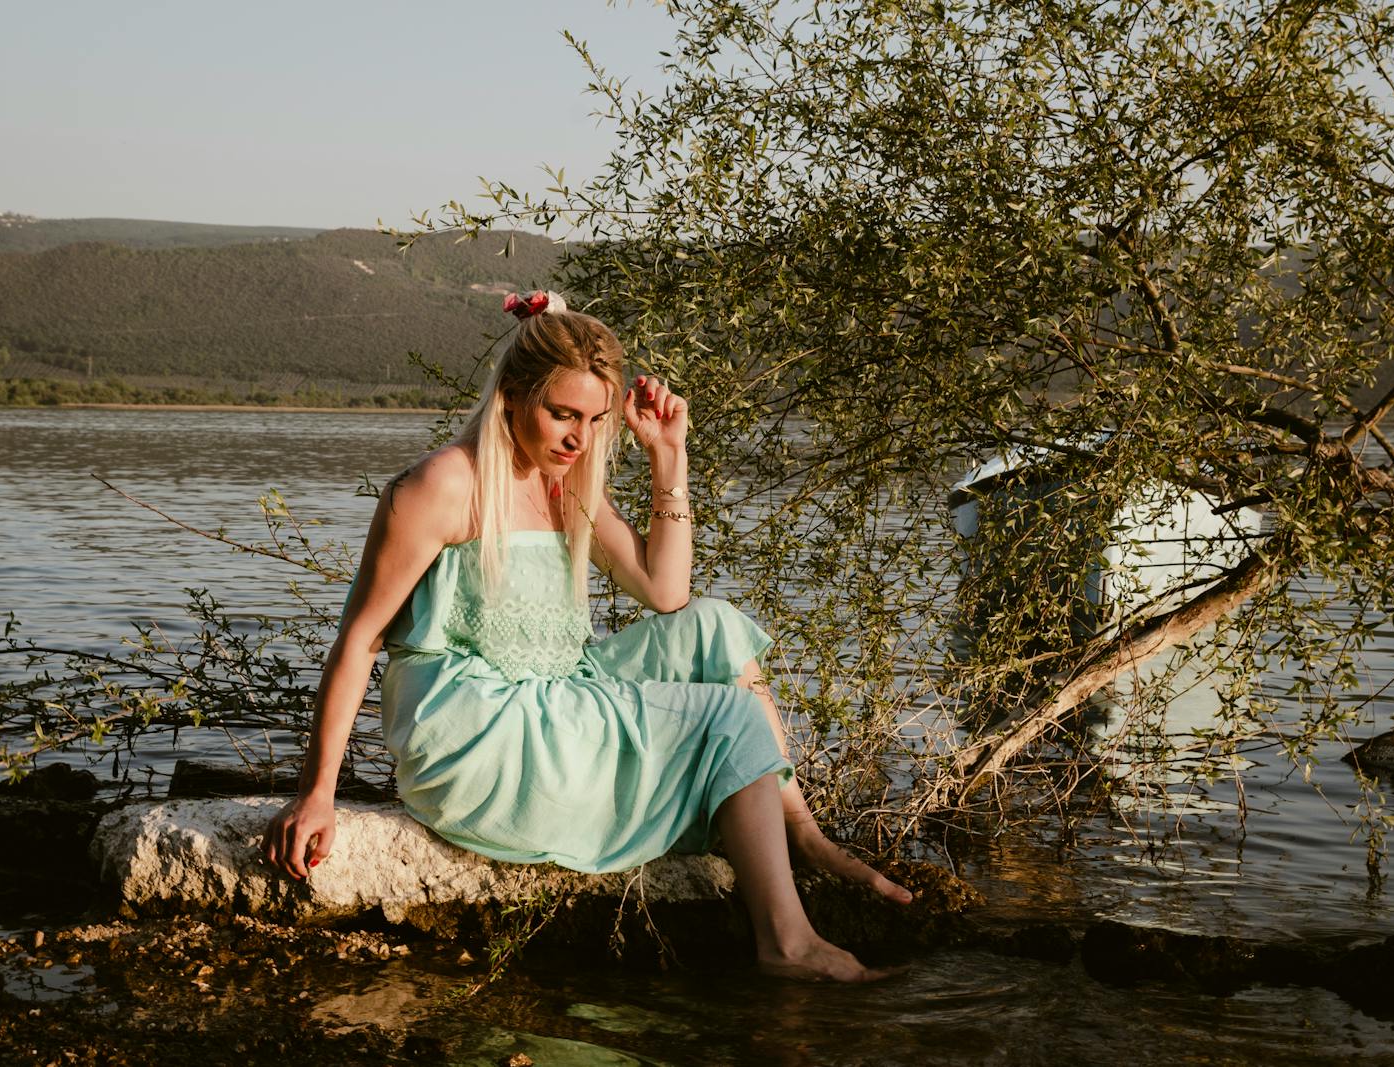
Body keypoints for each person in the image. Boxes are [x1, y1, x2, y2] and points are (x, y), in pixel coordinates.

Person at [262, 291, 911, 981]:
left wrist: (669, 455)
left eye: (596, 419)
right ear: (511, 395)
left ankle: (801, 832)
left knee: (716, 626)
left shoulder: (566, 481)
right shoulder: (443, 485)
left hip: (557, 691)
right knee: (730, 713)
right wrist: (318, 791)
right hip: (480, 730)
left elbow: (666, 591)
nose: (579, 437)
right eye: (563, 414)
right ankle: (787, 942)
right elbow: (359, 640)